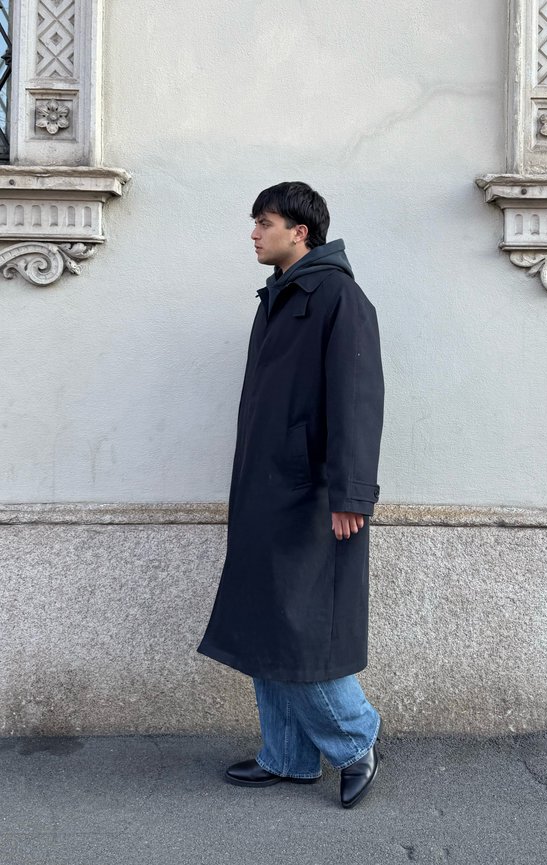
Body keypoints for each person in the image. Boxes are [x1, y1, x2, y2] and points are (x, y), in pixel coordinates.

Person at [197, 181, 385, 809]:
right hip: (265, 487)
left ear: (299, 232)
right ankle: (288, 755)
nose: (254, 233)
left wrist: (351, 494)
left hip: (312, 493)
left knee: (300, 626)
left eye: (265, 222)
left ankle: (356, 740)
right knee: (266, 622)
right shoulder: (278, 296)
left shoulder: (338, 297)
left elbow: (358, 400)